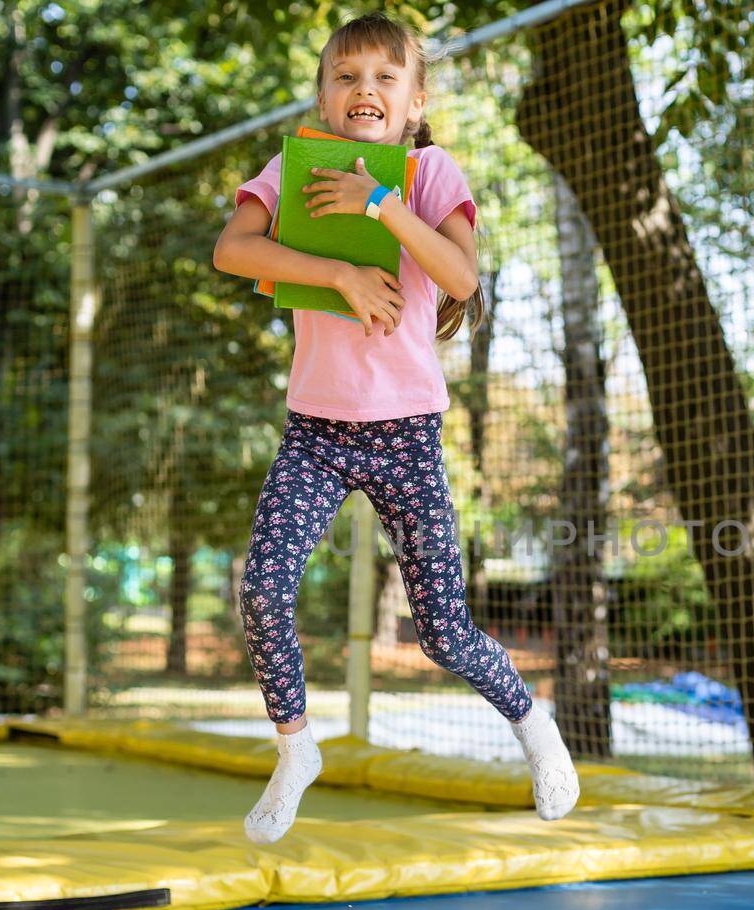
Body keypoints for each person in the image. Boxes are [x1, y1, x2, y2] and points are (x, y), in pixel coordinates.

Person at [212, 11, 578, 844]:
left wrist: (378, 202)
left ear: (414, 101)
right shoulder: (295, 167)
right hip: (314, 430)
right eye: (346, 77)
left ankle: (533, 724)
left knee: (445, 629)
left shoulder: (428, 171)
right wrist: (337, 271)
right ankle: (296, 745)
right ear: (322, 98)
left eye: (384, 77)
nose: (363, 90)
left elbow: (458, 272)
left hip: (405, 432)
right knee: (262, 592)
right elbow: (235, 249)